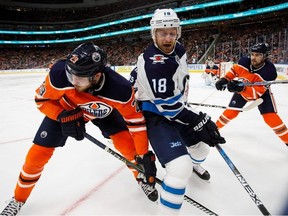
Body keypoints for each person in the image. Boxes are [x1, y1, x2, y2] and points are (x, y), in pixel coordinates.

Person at [0, 43, 158, 216]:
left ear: (96, 76)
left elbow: (136, 122)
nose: (72, 81)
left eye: (79, 78)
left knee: (128, 147)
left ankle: (140, 177)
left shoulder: (120, 90)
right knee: (36, 155)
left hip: (103, 113)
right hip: (66, 110)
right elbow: (41, 100)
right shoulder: (60, 74)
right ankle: (18, 198)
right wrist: (61, 115)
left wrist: (143, 155)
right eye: (70, 74)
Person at [132, 8, 226, 213]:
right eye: (162, 33)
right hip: (157, 115)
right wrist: (196, 120)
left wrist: (192, 115)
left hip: (176, 108)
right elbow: (166, 106)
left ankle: (193, 164)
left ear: (178, 33)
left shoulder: (179, 50)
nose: (168, 38)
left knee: (201, 149)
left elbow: (175, 94)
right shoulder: (154, 63)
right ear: (153, 34)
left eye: (172, 33)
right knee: (179, 168)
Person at [215, 42, 288, 147]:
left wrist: (241, 89)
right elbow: (234, 70)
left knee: (271, 118)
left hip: (261, 93)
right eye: (253, 54)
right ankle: (213, 130)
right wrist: (225, 79)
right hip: (242, 88)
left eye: (258, 55)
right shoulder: (244, 61)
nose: (254, 57)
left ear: (265, 56)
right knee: (230, 113)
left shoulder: (269, 71)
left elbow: (256, 94)